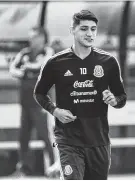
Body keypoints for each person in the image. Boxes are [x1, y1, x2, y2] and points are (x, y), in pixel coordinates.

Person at [33, 10, 127, 180]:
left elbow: (121, 98)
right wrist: (55, 111)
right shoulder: (55, 63)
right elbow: (39, 93)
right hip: (68, 141)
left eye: (93, 29)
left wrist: (114, 100)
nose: (90, 34)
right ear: (73, 30)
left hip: (98, 142)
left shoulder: (108, 62)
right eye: (84, 29)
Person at [9, 26, 55, 176]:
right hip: (25, 103)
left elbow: (42, 66)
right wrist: (24, 72)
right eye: (31, 37)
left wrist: (28, 68)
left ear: (42, 37)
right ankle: (24, 170)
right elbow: (12, 69)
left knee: (46, 137)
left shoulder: (48, 52)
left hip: (42, 104)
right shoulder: (25, 53)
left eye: (34, 37)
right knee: (23, 138)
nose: (31, 40)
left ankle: (55, 169)